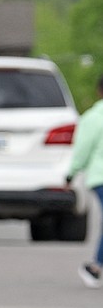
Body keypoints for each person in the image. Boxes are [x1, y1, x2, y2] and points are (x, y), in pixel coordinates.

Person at [68, 74, 103, 288]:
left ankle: (96, 266)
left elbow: (82, 150)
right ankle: (97, 265)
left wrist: (71, 173)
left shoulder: (93, 117)